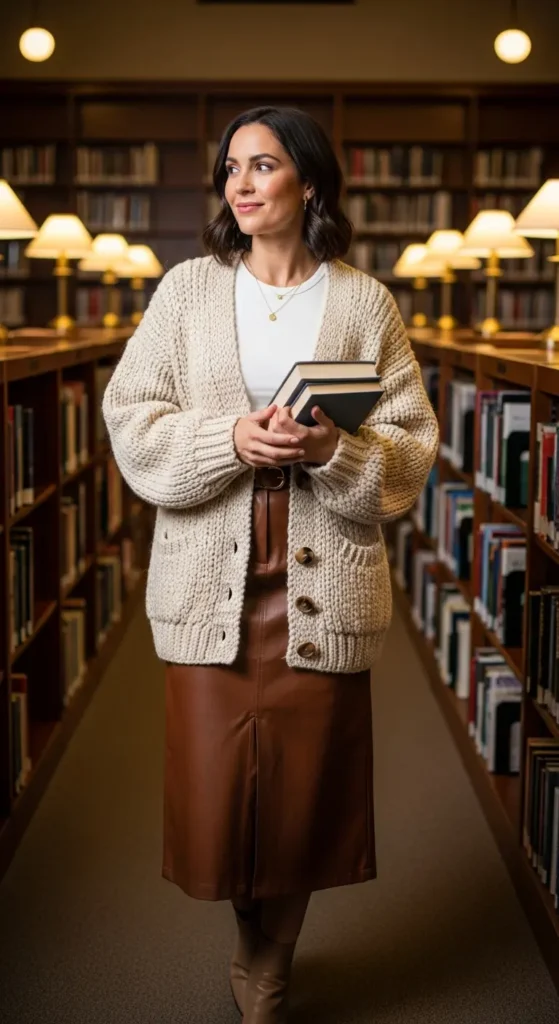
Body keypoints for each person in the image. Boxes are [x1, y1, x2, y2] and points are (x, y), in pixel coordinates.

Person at [102, 104, 439, 1023]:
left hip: (322, 580)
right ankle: (251, 938)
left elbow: (410, 446)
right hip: (210, 575)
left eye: (261, 165)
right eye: (231, 168)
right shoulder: (186, 292)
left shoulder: (364, 302)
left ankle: (270, 963)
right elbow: (130, 414)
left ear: (309, 182)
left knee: (301, 797)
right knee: (220, 795)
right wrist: (228, 438)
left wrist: (333, 451)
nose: (240, 183)